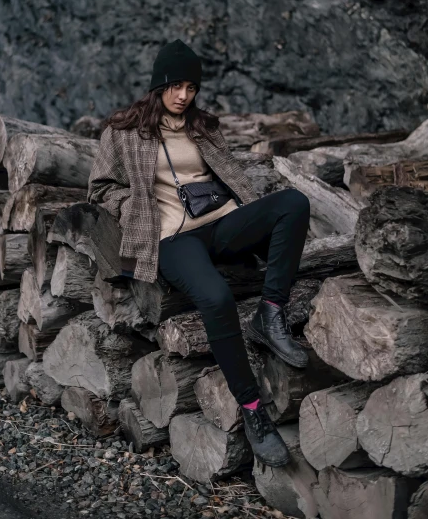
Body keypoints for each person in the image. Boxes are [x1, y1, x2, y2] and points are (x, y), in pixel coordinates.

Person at [87, 39, 311, 466]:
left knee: (294, 204)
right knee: (216, 298)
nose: (183, 96)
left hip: (221, 222)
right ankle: (251, 411)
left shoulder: (203, 125)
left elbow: (228, 175)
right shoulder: (122, 132)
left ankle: (270, 312)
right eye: (175, 87)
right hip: (171, 238)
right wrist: (132, 205)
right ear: (159, 86)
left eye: (191, 87)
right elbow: (99, 189)